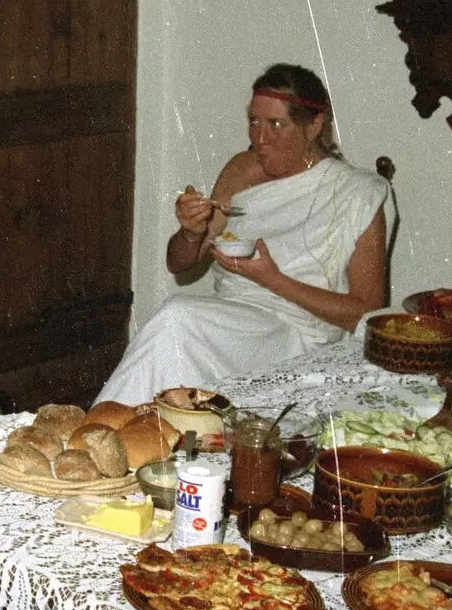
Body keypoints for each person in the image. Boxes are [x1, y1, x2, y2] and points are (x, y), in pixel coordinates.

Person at [98, 64, 388, 404]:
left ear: (314, 126)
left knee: (178, 318)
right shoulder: (242, 169)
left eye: (276, 124)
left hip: (297, 333)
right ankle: (110, 430)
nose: (260, 139)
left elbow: (366, 313)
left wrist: (273, 280)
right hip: (236, 318)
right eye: (254, 121)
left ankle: (100, 431)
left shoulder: (357, 192)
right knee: (178, 320)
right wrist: (191, 233)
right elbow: (178, 264)